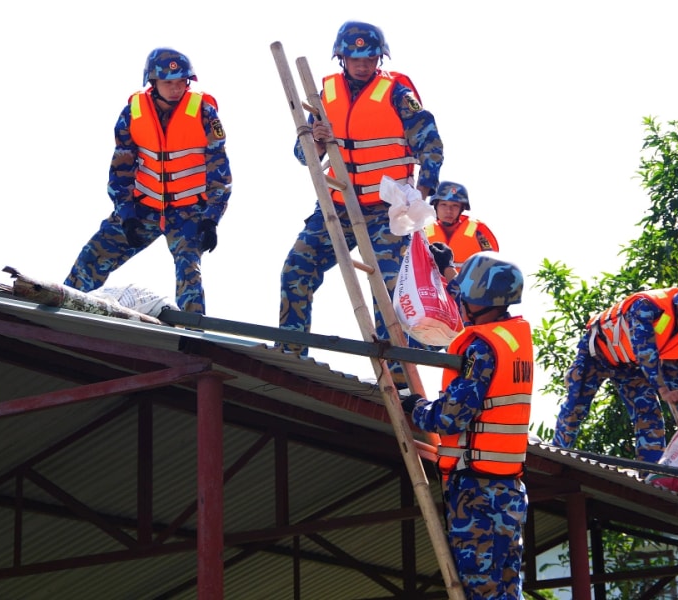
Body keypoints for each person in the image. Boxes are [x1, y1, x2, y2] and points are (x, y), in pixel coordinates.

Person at [277, 21, 444, 388]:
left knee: (385, 291)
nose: (362, 65)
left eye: (369, 58)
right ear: (342, 57)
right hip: (337, 204)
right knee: (295, 270)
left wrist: (424, 189)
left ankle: (398, 379)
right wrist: (317, 142)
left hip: (386, 211)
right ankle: (289, 354)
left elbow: (430, 144)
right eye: (354, 58)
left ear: (378, 58)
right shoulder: (323, 93)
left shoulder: (396, 91)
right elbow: (301, 154)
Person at [402, 251, 533, 599]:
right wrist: (446, 272)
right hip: (509, 493)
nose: (460, 301)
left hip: (478, 494)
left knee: (482, 592)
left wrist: (416, 408)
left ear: (479, 297)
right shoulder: (512, 339)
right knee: (506, 591)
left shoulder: (482, 347)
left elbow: (449, 417)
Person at [63, 48, 232, 315]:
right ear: (152, 82)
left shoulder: (205, 113)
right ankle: (63, 307)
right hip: (143, 208)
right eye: (169, 82)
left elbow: (220, 173)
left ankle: (194, 332)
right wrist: (126, 214)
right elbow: (121, 170)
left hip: (189, 211)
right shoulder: (132, 113)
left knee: (189, 268)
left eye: (182, 82)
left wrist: (211, 219)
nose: (177, 88)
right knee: (93, 256)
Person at [552, 281, 678, 463]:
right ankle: (557, 453)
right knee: (576, 404)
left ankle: (652, 471)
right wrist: (664, 391)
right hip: (597, 353)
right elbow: (644, 351)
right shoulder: (646, 305)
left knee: (649, 415)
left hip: (630, 367)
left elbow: (674, 379)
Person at [424, 181, 499, 270]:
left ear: (462, 209)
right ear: (435, 206)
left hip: (469, 283)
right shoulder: (423, 233)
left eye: (455, 205)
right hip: (434, 284)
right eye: (443, 204)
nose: (449, 210)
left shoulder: (478, 231)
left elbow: (494, 265)